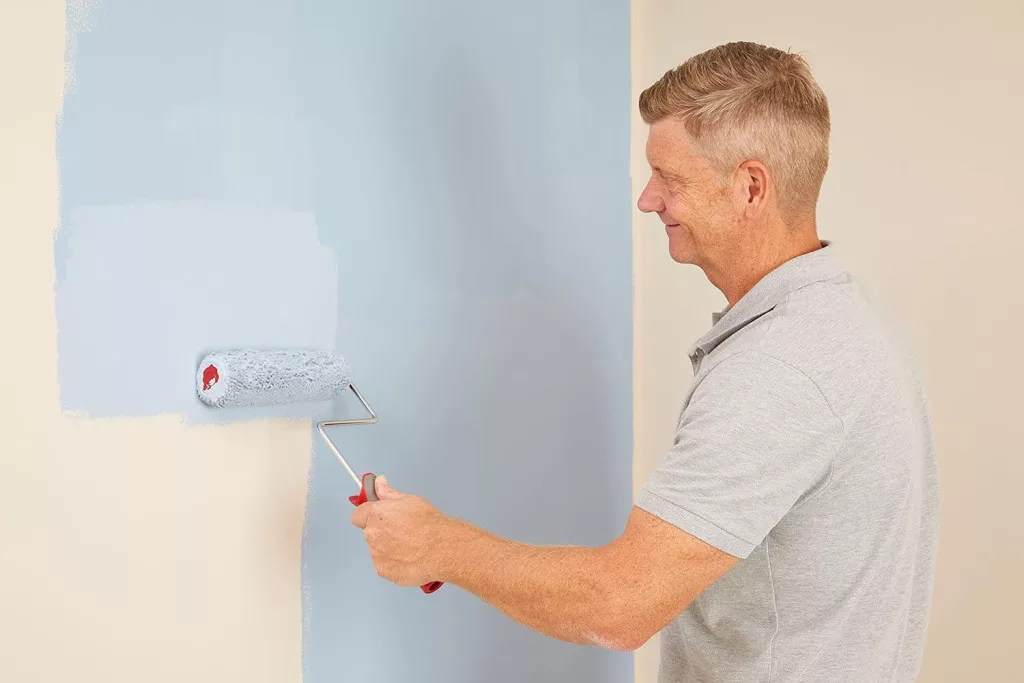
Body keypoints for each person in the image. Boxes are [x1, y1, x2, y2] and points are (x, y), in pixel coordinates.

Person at [350, 41, 939, 682]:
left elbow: (619, 605)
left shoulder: (778, 371)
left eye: (670, 178)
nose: (648, 200)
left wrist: (439, 545)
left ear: (750, 188)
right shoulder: (848, 319)